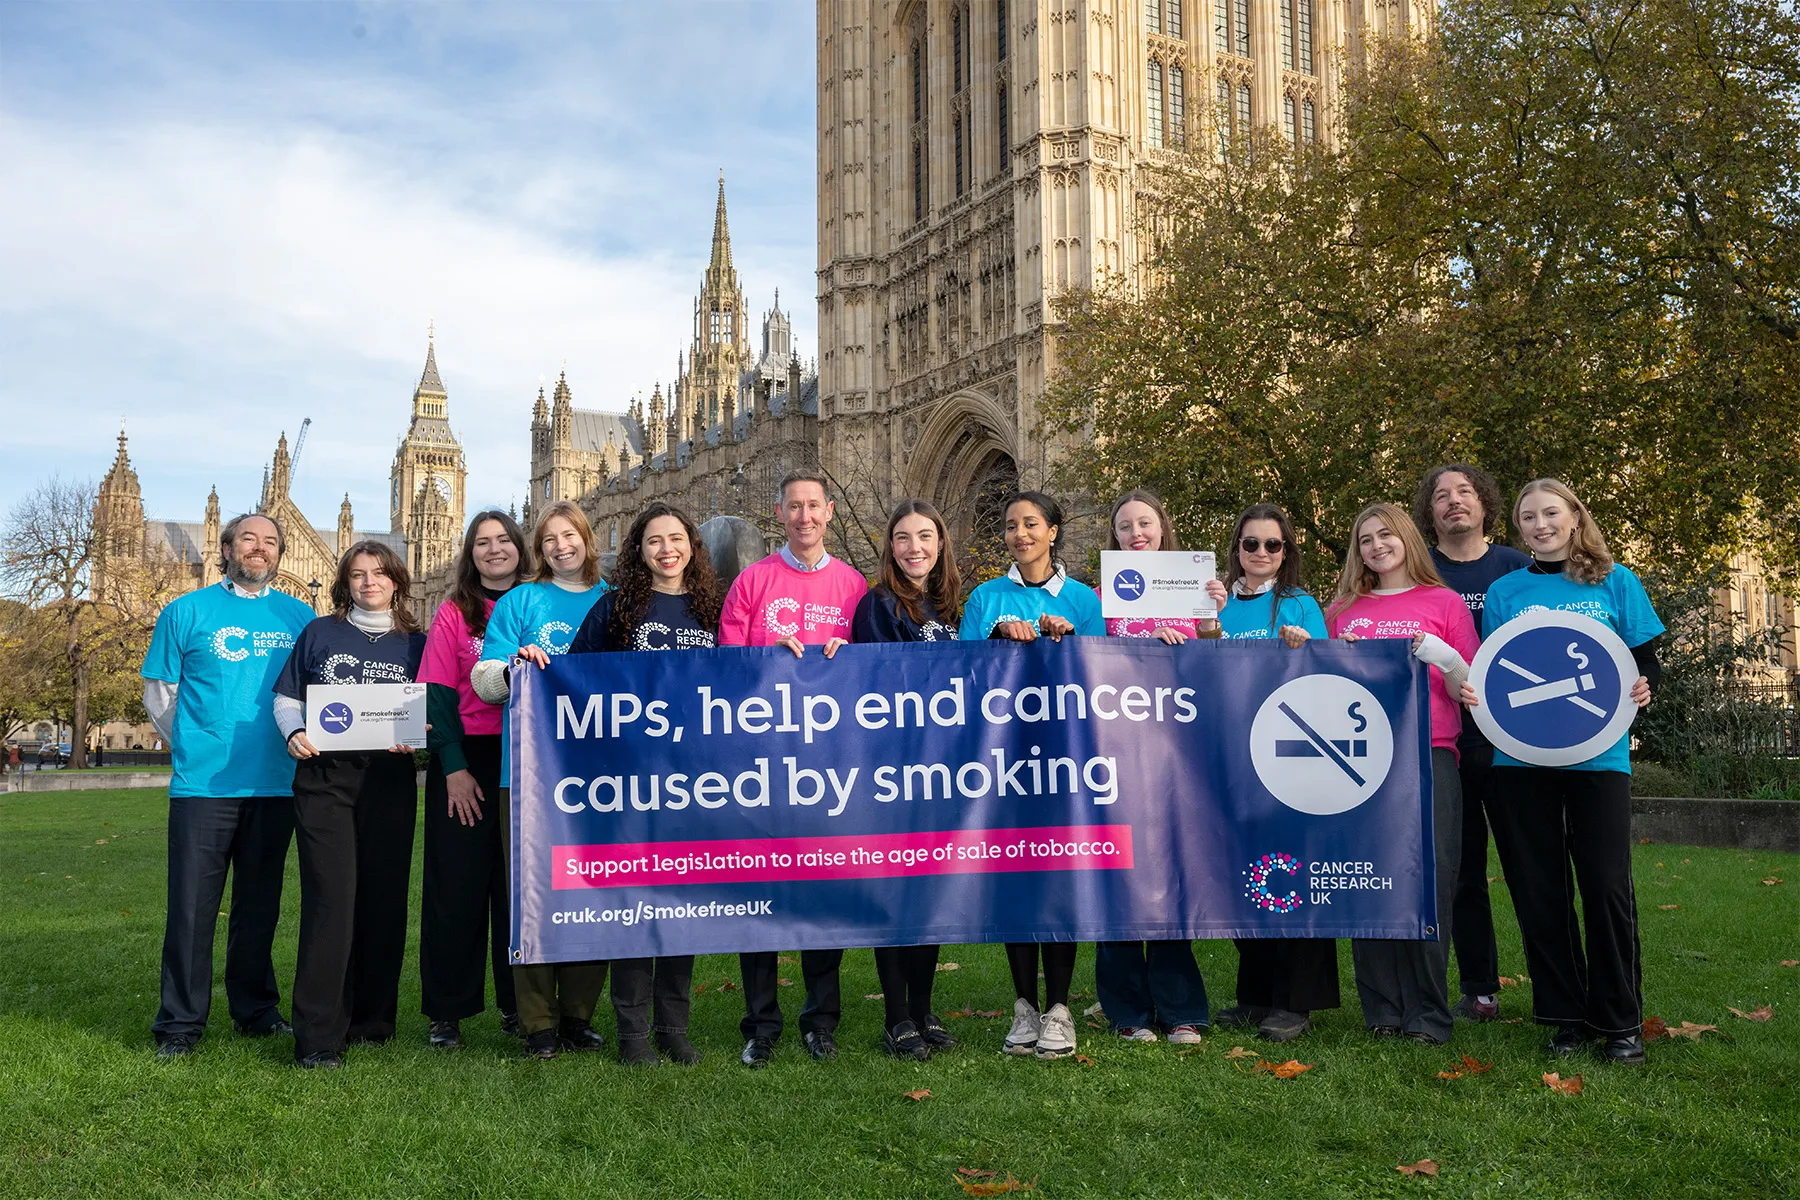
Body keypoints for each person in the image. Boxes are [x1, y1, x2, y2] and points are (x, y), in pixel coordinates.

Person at [1479, 479, 1661, 1066]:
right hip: (1520, 758)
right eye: (1528, 516)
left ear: (1575, 517)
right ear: (1519, 527)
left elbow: (1644, 659)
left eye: (1551, 513)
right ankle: (1565, 1018)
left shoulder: (1615, 580)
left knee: (1606, 886)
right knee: (1539, 890)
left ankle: (1619, 1020)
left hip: (1599, 757)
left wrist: (1645, 685)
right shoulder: (1505, 590)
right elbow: (1490, 671)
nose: (1540, 524)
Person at [141, 513, 314, 1059]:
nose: (259, 550)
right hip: (204, 787)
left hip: (277, 784)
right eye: (248, 540)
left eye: (270, 542)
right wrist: (198, 740)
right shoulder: (185, 612)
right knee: (192, 908)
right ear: (226, 547)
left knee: (259, 907)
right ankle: (180, 1023)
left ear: (280, 554)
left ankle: (256, 1010)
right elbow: (160, 696)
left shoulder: (300, 616)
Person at [718, 469, 869, 1068]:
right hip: (761, 763)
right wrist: (766, 657)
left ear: (829, 511)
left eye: (814, 506)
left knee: (821, 895)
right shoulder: (752, 582)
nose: (805, 516)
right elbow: (725, 667)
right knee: (757, 893)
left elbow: (871, 676)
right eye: (794, 507)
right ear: (778, 514)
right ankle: (760, 1021)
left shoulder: (853, 585)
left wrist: (847, 658)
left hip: (827, 767)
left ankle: (820, 1019)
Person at [567, 502, 720, 1067]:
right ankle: (632, 1032)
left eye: (676, 539)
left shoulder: (712, 609)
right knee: (635, 907)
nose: (666, 550)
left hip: (696, 783)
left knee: (683, 907)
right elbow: (574, 676)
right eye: (654, 541)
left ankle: (673, 1027)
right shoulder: (616, 609)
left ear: (691, 545)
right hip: (630, 783)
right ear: (638, 550)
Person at [959, 490, 1104, 1061]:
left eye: (1032, 525)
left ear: (1053, 532)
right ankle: (1023, 1005)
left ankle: (1061, 1009)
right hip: (1003, 760)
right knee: (1016, 880)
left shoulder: (1084, 598)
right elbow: (959, 677)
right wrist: (997, 639)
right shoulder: (985, 598)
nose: (1021, 535)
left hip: (1066, 759)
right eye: (1012, 526)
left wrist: (1071, 640)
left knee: (1057, 880)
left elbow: (1107, 677)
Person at [1326, 503, 1479, 1045]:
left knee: (1429, 881)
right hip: (1360, 758)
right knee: (1368, 879)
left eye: (1386, 535)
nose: (1376, 546)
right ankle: (1384, 1012)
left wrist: (1445, 659)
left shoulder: (1444, 602)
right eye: (1365, 539)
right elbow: (1319, 680)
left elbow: (1475, 688)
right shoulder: (1343, 608)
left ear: (1408, 539)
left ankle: (1428, 1013)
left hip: (1430, 752)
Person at [274, 541, 427, 1069]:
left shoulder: (417, 643)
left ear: (397, 582)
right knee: (331, 901)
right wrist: (293, 730)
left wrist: (421, 736)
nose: (369, 583)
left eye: (380, 574)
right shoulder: (321, 632)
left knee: (384, 901)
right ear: (345, 583)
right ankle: (318, 1034)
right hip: (324, 781)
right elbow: (288, 695)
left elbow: (429, 711)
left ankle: (372, 1020)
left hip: (388, 781)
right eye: (359, 575)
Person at [470, 500, 612, 1060]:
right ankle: (537, 1021)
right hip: (527, 770)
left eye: (568, 535)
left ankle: (579, 1015)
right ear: (539, 548)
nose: (560, 546)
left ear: (586, 539)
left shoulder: (613, 602)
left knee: (595, 889)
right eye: (548, 539)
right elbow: (484, 679)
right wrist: (514, 667)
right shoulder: (519, 602)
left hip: (602, 775)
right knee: (530, 893)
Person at [1090, 490, 1224, 1046]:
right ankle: (1125, 1010)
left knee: (1171, 875)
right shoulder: (1100, 596)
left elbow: (1219, 664)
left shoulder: (1195, 587)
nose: (1136, 534)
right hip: (1115, 752)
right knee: (1116, 874)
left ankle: (1180, 1007)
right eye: (1125, 526)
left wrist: (1212, 619)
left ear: (1161, 526)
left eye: (1145, 523)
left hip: (1178, 752)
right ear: (1115, 537)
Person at [1211, 503, 1338, 1044]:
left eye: (1273, 545)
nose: (1261, 553)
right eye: (1250, 544)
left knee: (1292, 874)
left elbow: (1330, 669)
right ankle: (1256, 994)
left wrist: (1305, 645)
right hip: (1227, 753)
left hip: (1289, 755)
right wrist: (1208, 628)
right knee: (1243, 875)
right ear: (1236, 548)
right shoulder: (1212, 602)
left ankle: (1296, 1001)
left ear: (1287, 553)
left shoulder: (1300, 604)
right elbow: (1196, 673)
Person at [1414, 464, 1530, 1023]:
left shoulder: (1515, 565)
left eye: (1464, 492)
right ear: (1430, 511)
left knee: (1530, 864)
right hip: (1444, 737)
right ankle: (1480, 988)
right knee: (1460, 868)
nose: (1454, 502)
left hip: (1512, 737)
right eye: (1442, 496)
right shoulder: (1422, 570)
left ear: (1485, 503)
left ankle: (1555, 988)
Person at [849, 499, 962, 1061]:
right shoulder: (879, 605)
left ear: (940, 543)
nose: (914, 547)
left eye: (925, 537)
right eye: (902, 538)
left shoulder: (952, 607)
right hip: (894, 773)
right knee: (896, 894)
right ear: (890, 547)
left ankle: (923, 1006)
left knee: (932, 895)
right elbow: (875, 689)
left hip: (946, 773)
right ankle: (897, 1016)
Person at [417, 511, 531, 1050]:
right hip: (467, 758)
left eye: (503, 540)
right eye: (482, 543)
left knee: (519, 889)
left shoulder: (538, 603)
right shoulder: (454, 613)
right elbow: (436, 694)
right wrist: (454, 768)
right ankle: (448, 1010)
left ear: (519, 547)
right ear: (470, 554)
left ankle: (521, 1005)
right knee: (456, 887)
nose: (493, 550)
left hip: (531, 759)